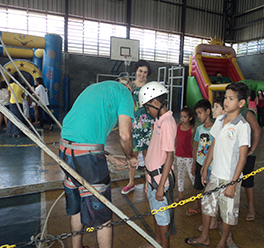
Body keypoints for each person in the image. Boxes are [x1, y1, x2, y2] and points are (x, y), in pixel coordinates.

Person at [59, 79, 139, 248]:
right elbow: (125, 136)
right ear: (129, 89)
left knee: (76, 206)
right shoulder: (124, 94)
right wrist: (130, 157)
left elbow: (84, 132)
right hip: (87, 157)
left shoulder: (95, 87)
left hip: (65, 150)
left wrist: (109, 157)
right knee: (103, 215)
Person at [185, 82, 251, 248]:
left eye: (231, 98)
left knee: (228, 213)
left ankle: (222, 242)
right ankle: (205, 236)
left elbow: (243, 158)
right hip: (214, 174)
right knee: (207, 206)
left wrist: (233, 183)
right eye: (225, 98)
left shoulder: (243, 126)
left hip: (230, 178)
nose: (226, 102)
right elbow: (213, 145)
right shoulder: (220, 119)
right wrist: (206, 167)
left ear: (241, 103)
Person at [138, 81, 177, 248]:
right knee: (156, 213)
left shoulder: (167, 122)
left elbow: (169, 156)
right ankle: (158, 243)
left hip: (160, 180)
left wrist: (161, 186)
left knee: (163, 219)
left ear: (156, 102)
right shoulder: (159, 120)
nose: (147, 111)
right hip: (152, 178)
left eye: (148, 107)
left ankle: (163, 245)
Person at [122, 60, 154, 195]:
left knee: (148, 155)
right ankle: (131, 182)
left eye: (145, 72)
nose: (142, 74)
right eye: (140, 71)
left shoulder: (150, 87)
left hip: (148, 125)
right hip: (134, 124)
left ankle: (148, 182)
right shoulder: (130, 87)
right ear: (136, 71)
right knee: (132, 154)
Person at [186, 99, 214, 216]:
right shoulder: (199, 129)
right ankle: (197, 205)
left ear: (208, 111)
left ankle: (211, 208)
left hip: (212, 166)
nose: (198, 116)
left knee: (210, 188)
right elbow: (195, 147)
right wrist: (193, 163)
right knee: (197, 186)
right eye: (197, 113)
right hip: (199, 163)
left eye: (200, 112)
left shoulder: (216, 129)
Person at [240, 102, 261, 221]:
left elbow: (257, 130)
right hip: (235, 154)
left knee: (247, 181)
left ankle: (251, 208)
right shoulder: (231, 112)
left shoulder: (247, 113)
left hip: (247, 153)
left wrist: (252, 149)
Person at [174, 106, 195, 203]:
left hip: (189, 157)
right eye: (181, 116)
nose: (182, 118)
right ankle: (180, 195)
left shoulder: (192, 130)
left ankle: (197, 194)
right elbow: (175, 139)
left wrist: (194, 156)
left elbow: (193, 144)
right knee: (180, 175)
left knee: (192, 175)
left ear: (190, 118)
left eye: (185, 117)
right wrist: (174, 149)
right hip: (179, 156)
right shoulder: (178, 127)